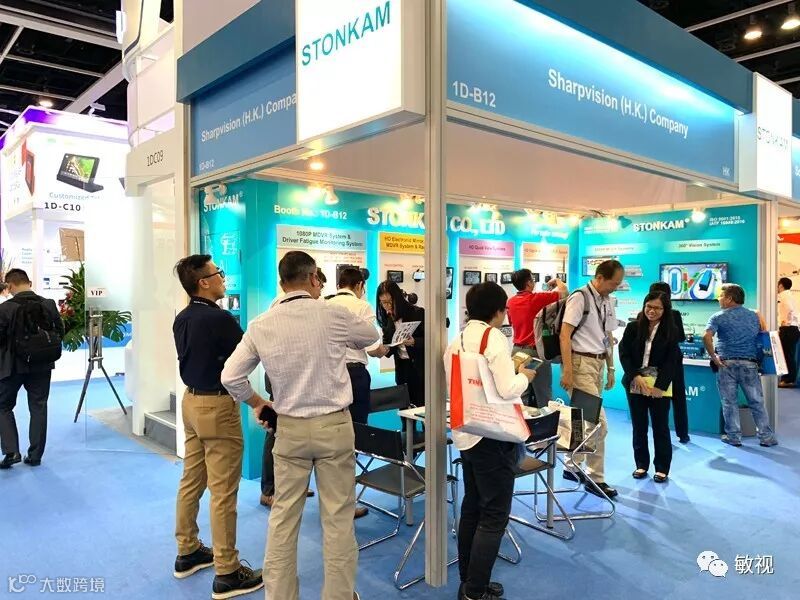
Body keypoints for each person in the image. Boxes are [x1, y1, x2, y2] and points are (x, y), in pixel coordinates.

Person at [222, 250, 378, 600]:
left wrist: (259, 402)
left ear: (281, 283)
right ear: (312, 278)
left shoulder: (262, 323)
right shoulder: (333, 313)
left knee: (283, 519)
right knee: (338, 519)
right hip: (333, 428)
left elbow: (230, 376)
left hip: (289, 429)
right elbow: (370, 336)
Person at [171, 254, 265, 599]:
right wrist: (257, 400)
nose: (223, 278)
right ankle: (227, 571)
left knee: (191, 480)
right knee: (224, 491)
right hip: (217, 407)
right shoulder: (219, 319)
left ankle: (188, 550)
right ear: (203, 282)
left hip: (191, 404)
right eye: (218, 273)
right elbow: (247, 355)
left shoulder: (183, 317)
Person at [444, 282, 537, 600]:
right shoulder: (494, 338)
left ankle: (469, 581)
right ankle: (475, 591)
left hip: (467, 431)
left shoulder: (457, 339)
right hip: (493, 434)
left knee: (472, 507)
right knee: (494, 515)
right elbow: (508, 388)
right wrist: (525, 377)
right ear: (498, 311)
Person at [559, 259, 624, 499]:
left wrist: (611, 367)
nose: (616, 287)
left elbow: (608, 336)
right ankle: (595, 478)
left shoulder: (606, 301)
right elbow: (565, 335)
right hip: (579, 364)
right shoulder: (580, 297)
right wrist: (568, 370)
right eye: (613, 283)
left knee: (582, 419)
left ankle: (571, 465)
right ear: (600, 277)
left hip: (597, 364)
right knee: (599, 424)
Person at [0, 269, 63, 469]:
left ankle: (11, 452)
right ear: (29, 283)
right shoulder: (48, 304)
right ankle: (35, 455)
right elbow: (60, 331)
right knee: (38, 406)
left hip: (12, 366)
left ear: (10, 286)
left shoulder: (5, 309)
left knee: (3, 406)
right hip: (42, 364)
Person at [703, 284, 779, 448]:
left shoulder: (717, 317)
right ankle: (766, 437)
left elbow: (706, 337)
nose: (718, 299)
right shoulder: (754, 315)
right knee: (757, 402)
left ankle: (734, 437)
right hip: (749, 364)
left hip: (726, 364)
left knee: (729, 402)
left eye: (721, 296)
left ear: (729, 298)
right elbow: (764, 333)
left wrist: (714, 357)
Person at [619, 291, 682, 483]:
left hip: (659, 385)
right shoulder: (633, 327)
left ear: (665, 310)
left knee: (660, 426)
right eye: (649, 306)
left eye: (657, 308)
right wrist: (634, 375)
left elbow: (672, 361)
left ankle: (662, 467)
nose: (652, 311)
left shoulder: (671, 331)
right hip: (635, 383)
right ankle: (641, 464)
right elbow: (624, 353)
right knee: (639, 426)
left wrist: (660, 387)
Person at [506, 269, 568, 407]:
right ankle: (545, 420)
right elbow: (564, 292)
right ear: (529, 283)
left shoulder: (510, 302)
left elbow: (511, 322)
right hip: (535, 353)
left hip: (517, 351)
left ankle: (522, 420)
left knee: (521, 393)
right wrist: (557, 280)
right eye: (532, 280)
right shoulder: (536, 299)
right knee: (543, 395)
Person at [649, 281, 690, 443]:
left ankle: (664, 433)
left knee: (660, 400)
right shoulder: (674, 314)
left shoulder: (646, 314)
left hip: (656, 363)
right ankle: (683, 434)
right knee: (678, 398)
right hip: (672, 361)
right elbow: (681, 337)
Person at [376, 280, 425, 407]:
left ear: (397, 298)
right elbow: (388, 343)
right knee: (404, 406)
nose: (387, 306)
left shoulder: (417, 312)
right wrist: (385, 349)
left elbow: (431, 340)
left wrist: (414, 342)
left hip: (419, 368)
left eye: (390, 301)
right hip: (402, 368)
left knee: (421, 407)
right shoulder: (387, 319)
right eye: (383, 302)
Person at [777, 277, 799, 388]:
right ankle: (788, 379)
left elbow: (788, 309)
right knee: (789, 355)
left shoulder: (784, 295)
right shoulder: (791, 295)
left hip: (788, 329)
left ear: (781, 285)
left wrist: (785, 322)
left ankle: (788, 380)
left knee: (787, 355)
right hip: (793, 329)